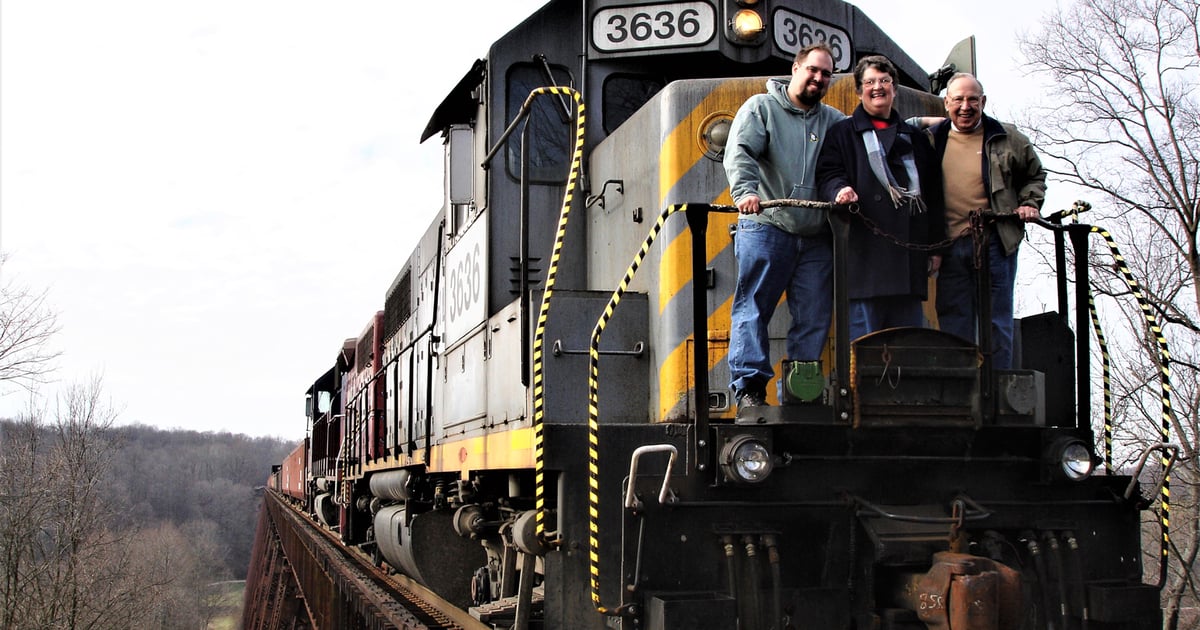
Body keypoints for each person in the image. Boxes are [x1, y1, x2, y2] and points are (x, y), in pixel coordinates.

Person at [724, 42, 846, 411]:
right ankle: (749, 390)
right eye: (813, 70)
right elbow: (741, 151)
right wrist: (745, 192)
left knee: (813, 316)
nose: (819, 78)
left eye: (826, 73)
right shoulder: (760, 108)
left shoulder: (835, 121)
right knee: (753, 308)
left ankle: (802, 392)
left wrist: (920, 124)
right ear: (795, 69)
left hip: (815, 236)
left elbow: (868, 137)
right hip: (766, 225)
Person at [816, 55, 945, 340]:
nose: (878, 87)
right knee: (864, 352)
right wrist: (839, 189)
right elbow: (828, 174)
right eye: (870, 82)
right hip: (863, 261)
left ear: (894, 88)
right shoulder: (842, 134)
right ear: (859, 90)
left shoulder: (915, 138)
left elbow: (934, 197)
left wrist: (936, 248)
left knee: (907, 349)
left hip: (908, 263)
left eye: (884, 81)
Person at [927, 73, 1046, 370]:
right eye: (958, 100)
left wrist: (1029, 204)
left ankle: (999, 397)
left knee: (996, 320)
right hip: (951, 244)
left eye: (972, 100)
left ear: (983, 102)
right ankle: (961, 395)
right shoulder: (932, 139)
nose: (965, 106)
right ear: (946, 103)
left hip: (995, 243)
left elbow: (1035, 176)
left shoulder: (1008, 138)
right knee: (954, 320)